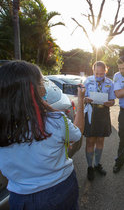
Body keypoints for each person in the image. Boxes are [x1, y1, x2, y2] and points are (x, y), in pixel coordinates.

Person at [0, 61, 85, 209]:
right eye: (42, 82)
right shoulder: (56, 121)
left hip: (19, 198)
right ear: (32, 90)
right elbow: (77, 134)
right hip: (59, 191)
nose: (45, 88)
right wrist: (81, 101)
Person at [83, 61, 115, 180]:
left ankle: (97, 164)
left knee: (100, 140)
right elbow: (82, 98)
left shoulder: (109, 83)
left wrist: (109, 103)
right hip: (91, 112)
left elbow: (113, 101)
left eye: (102, 73)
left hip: (103, 112)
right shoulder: (88, 81)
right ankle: (89, 167)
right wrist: (86, 99)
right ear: (93, 71)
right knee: (90, 141)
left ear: (105, 71)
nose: (99, 76)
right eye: (97, 73)